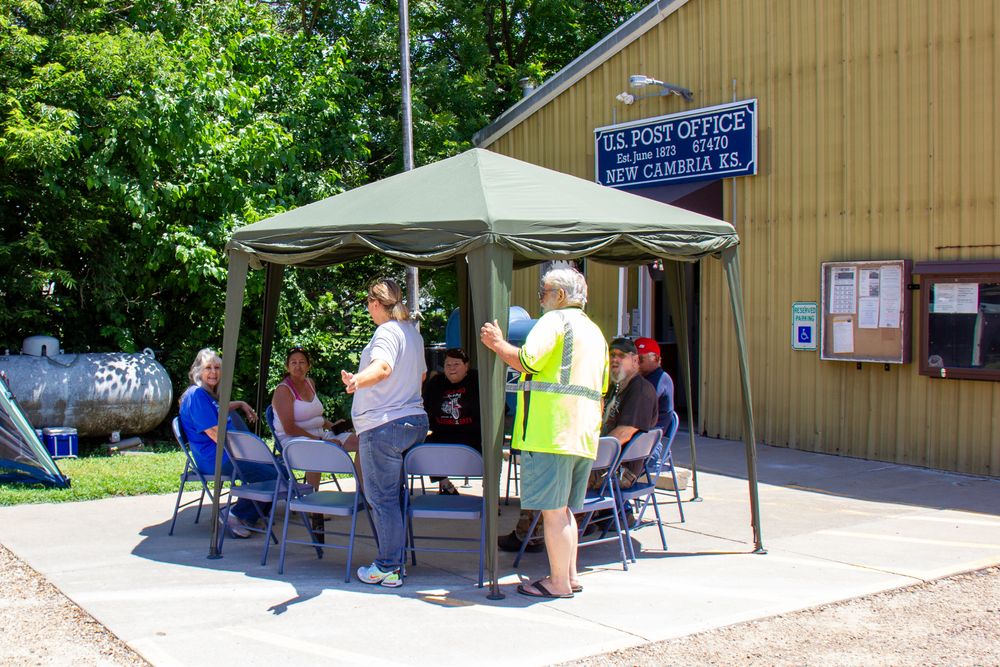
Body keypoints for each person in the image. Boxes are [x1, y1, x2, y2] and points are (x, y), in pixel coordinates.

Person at [481, 266, 608, 599]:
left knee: (552, 512)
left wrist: (497, 344)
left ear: (560, 296)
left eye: (544, 292)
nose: (540, 300)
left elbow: (528, 360)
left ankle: (558, 583)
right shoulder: (594, 331)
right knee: (565, 510)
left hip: (550, 430)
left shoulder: (554, 321)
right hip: (582, 432)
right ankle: (569, 575)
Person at [501, 337, 657, 552]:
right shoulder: (615, 387)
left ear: (635, 361)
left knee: (550, 477)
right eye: (611, 355)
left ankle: (530, 536)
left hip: (618, 470)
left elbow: (624, 434)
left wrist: (589, 454)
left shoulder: (641, 390)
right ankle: (559, 529)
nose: (614, 360)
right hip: (603, 461)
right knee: (550, 468)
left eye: (621, 356)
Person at [342, 277, 428, 588]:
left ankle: (388, 566)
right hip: (414, 421)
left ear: (376, 304)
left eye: (368, 303)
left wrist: (357, 381)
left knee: (382, 498)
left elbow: (382, 368)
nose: (368, 309)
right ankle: (397, 556)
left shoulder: (386, 332)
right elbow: (422, 375)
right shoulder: (412, 334)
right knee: (396, 496)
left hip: (383, 427)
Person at [178, 348, 274, 539]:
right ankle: (235, 514)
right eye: (208, 368)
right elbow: (216, 434)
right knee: (273, 474)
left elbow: (218, 408)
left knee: (277, 469)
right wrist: (247, 452)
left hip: (226, 454)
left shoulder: (205, 395)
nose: (213, 372)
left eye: (217, 368)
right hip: (217, 459)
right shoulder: (196, 395)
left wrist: (239, 404)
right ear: (198, 371)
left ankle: (250, 515)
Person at [271, 346, 358, 491]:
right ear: (287, 366)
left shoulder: (310, 383)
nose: (298, 366)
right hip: (294, 442)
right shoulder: (283, 390)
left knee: (361, 442)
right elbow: (289, 428)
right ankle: (312, 503)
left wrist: (332, 426)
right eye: (293, 363)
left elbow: (316, 417)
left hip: (319, 435)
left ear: (308, 365)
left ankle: (365, 493)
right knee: (316, 450)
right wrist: (321, 441)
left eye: (302, 362)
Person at [422, 347, 480, 495]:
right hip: (442, 435)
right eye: (448, 365)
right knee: (423, 447)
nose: (451, 368)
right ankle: (446, 485)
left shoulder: (477, 380)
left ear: (466, 366)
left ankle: (491, 497)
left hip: (472, 437)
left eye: (456, 364)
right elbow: (423, 408)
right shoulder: (436, 382)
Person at [634, 337, 674, 434]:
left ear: (655, 358)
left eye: (640, 359)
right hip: (642, 433)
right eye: (633, 359)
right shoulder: (642, 377)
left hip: (652, 438)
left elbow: (639, 410)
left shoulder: (660, 378)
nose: (636, 363)